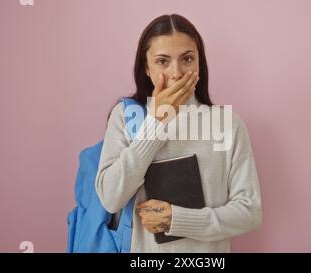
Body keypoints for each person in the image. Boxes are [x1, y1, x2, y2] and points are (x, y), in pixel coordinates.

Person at [95, 14, 262, 252]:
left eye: (187, 59)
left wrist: (176, 220)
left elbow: (250, 211)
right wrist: (156, 124)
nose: (177, 73)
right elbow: (111, 199)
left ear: (199, 63)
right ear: (146, 67)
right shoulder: (125, 117)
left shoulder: (228, 123)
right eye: (163, 61)